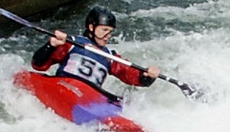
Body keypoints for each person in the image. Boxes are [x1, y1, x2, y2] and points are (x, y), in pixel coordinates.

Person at [31, 6, 159, 94]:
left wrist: (146, 76)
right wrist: (51, 45)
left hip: (88, 96)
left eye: (110, 32)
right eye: (104, 30)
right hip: (63, 86)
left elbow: (129, 74)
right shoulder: (71, 43)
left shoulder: (109, 56)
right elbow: (38, 65)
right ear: (91, 27)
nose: (108, 36)